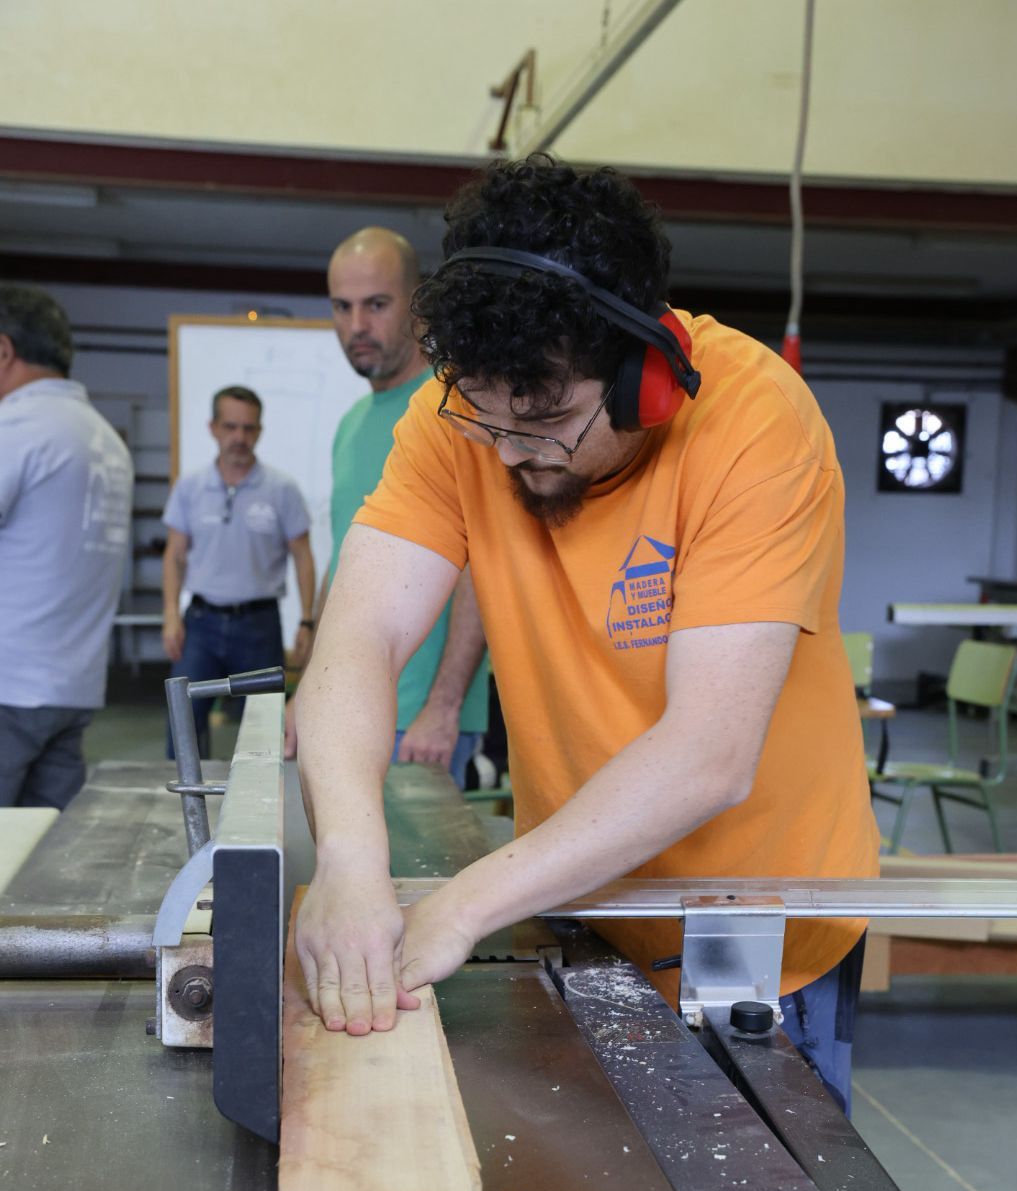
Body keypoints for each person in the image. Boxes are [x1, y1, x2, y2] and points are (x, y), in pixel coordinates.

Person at [294, 157, 879, 1114]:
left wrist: (461, 908)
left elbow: (709, 755)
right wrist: (352, 867)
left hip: (760, 930)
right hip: (579, 901)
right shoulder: (461, 426)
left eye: (550, 420)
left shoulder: (754, 423)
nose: (515, 454)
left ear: (643, 376)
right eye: (487, 422)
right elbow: (359, 639)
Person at [284, 226, 488, 785]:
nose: (356, 326)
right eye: (342, 307)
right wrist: (307, 691)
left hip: (422, 725)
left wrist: (444, 708)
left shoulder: (457, 407)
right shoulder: (352, 424)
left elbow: (480, 565)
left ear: (418, 304)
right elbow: (345, 564)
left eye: (376, 305)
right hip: (350, 713)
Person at [0, 285, 134, 810]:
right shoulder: (106, 439)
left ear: (4, 351)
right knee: (35, 856)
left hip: (9, 687)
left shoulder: (18, 429)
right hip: (72, 687)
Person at [162, 386, 315, 755]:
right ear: (213, 427)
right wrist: (170, 614)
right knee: (182, 723)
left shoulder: (282, 489)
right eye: (230, 427)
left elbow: (303, 556)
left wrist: (307, 621)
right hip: (201, 623)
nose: (239, 437)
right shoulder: (191, 487)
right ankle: (183, 810)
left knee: (263, 732)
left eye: (248, 428)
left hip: (258, 626)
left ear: (259, 431)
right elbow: (174, 554)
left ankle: (261, 808)